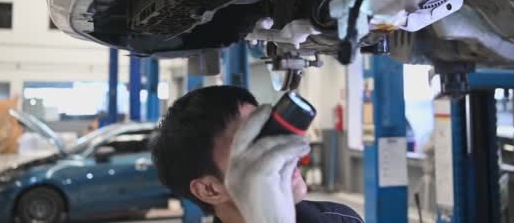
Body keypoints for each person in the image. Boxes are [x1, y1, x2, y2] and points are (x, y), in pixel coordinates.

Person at [151, 85, 363, 223]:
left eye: (268, 129)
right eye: (252, 143)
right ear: (209, 189)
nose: (279, 150)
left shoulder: (340, 219)